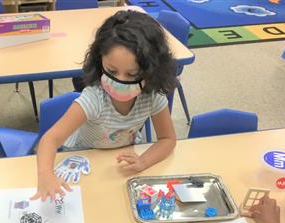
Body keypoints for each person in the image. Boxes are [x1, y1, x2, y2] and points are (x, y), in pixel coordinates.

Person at [32, 10, 178, 201]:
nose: (120, 81)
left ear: (151, 70)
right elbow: (50, 139)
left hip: (118, 167)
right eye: (111, 70)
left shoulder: (151, 98)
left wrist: (144, 161)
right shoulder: (94, 99)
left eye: (132, 74)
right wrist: (45, 176)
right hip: (84, 161)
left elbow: (167, 139)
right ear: (100, 61)